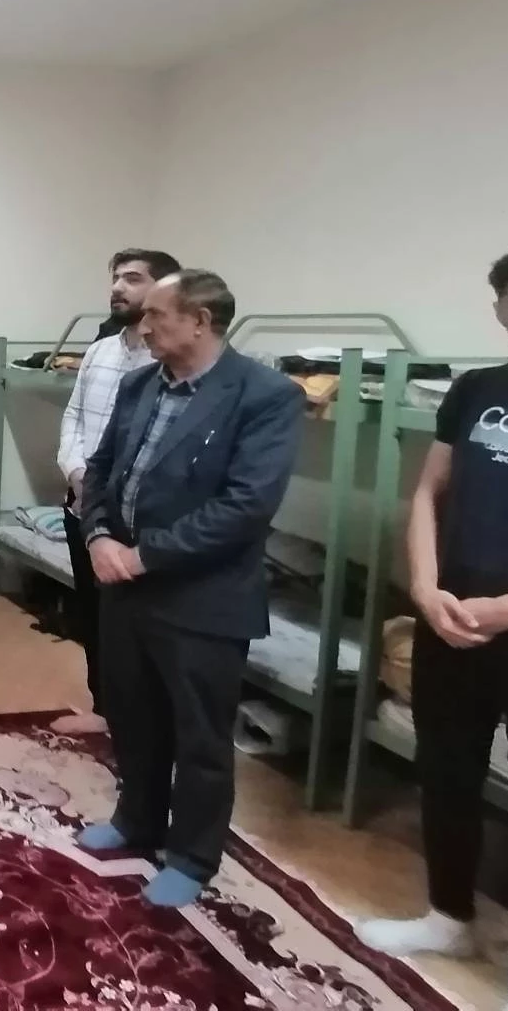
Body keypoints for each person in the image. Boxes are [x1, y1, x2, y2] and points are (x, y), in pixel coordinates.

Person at [76, 270, 303, 908]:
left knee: (199, 735)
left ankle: (193, 857)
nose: (143, 326)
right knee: (132, 715)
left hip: (202, 596)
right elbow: (102, 469)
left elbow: (245, 506)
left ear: (200, 321)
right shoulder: (139, 385)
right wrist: (98, 536)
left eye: (157, 315)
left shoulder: (265, 396)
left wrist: (143, 556)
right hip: (125, 586)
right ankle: (136, 821)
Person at [356, 244, 508, 1011]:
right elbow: (430, 492)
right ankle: (450, 917)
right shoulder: (476, 390)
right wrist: (426, 589)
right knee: (446, 773)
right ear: (500, 311)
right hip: (450, 617)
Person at [52, 248, 180, 736]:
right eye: (115, 278)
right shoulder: (100, 351)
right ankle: (104, 709)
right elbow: (74, 417)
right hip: (84, 504)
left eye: (132, 278)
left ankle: (145, 721)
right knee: (94, 614)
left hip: (134, 516)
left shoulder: (169, 359)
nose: (117, 288)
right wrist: (75, 473)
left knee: (139, 621)